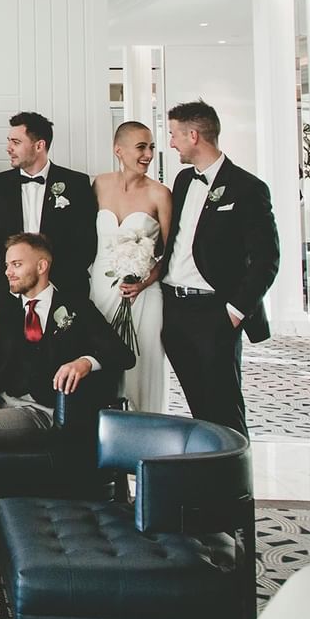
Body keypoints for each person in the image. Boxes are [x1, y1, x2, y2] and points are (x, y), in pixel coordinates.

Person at [0, 233, 135, 510]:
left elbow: (122, 354)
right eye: (7, 265)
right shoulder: (9, 309)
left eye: (17, 264)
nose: (8, 272)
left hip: (40, 411)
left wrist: (85, 361)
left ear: (42, 267)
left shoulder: (76, 306)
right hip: (4, 400)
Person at [160, 100, 279, 437]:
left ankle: (235, 489)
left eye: (174, 135)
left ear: (194, 135)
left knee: (224, 410)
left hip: (214, 312)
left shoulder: (248, 188)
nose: (171, 143)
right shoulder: (183, 181)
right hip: (175, 309)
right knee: (198, 408)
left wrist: (235, 311)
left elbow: (267, 258)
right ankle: (207, 484)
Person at [90, 122, 172, 414]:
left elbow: (169, 253)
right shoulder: (99, 184)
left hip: (144, 294)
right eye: (141, 147)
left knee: (144, 362)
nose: (148, 154)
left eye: (151, 147)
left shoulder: (160, 194)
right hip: (100, 289)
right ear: (119, 150)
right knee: (102, 357)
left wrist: (145, 281)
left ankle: (147, 425)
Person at [0, 112, 97, 307]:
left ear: (39, 145)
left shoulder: (77, 184)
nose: (8, 148)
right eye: (9, 141)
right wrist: (9, 279)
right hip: (11, 293)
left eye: (16, 142)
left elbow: (86, 242)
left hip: (65, 290)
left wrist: (49, 281)